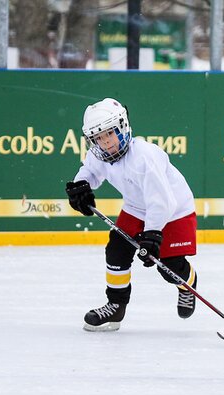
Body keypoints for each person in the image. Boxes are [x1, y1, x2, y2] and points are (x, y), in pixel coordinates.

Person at [65, 98, 198, 332]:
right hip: (136, 208)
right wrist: (80, 187)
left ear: (122, 127)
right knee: (116, 249)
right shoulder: (99, 155)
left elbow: (162, 202)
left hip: (174, 210)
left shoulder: (144, 157)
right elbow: (90, 172)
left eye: (110, 133)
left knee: (169, 265)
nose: (106, 142)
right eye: (98, 138)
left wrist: (152, 235)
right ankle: (116, 305)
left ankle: (188, 284)